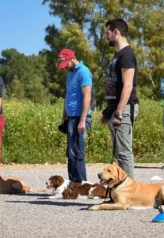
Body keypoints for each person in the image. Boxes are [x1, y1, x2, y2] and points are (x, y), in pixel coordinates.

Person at [101, 19, 139, 179]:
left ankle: (130, 193)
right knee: (118, 152)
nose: (106, 36)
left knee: (124, 152)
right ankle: (120, 191)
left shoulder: (127, 55)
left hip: (123, 108)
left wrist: (119, 112)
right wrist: (108, 112)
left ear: (116, 31)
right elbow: (115, 86)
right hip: (115, 109)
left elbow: (128, 85)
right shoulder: (118, 55)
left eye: (107, 33)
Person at [57, 48, 92, 183]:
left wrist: (82, 120)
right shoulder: (70, 73)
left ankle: (82, 185)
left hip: (80, 117)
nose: (64, 67)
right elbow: (68, 96)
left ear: (72, 58)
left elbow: (87, 96)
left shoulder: (83, 72)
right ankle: (73, 184)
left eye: (65, 64)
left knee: (77, 152)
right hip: (71, 117)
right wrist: (64, 117)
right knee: (71, 153)